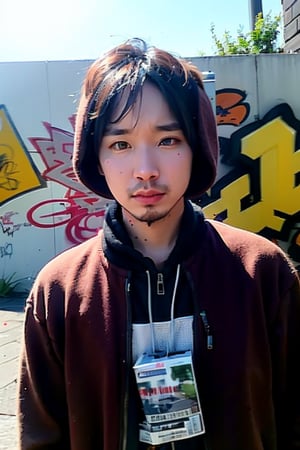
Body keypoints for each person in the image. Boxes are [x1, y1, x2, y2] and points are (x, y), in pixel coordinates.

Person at [17, 38, 300, 450]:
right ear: (95, 157)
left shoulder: (262, 271)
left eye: (168, 140)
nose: (145, 170)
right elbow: (43, 436)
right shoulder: (59, 291)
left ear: (197, 147)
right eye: (120, 144)